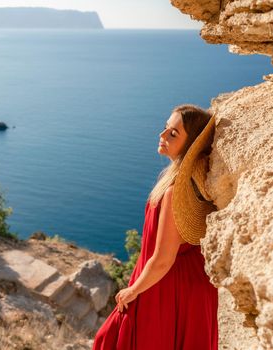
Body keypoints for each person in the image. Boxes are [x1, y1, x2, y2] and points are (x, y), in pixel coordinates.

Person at [92, 104, 219, 350]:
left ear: (190, 144)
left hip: (168, 282)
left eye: (173, 133)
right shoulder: (192, 180)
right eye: (165, 128)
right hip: (189, 280)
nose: (162, 135)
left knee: (110, 339)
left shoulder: (174, 192)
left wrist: (133, 290)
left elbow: (163, 258)